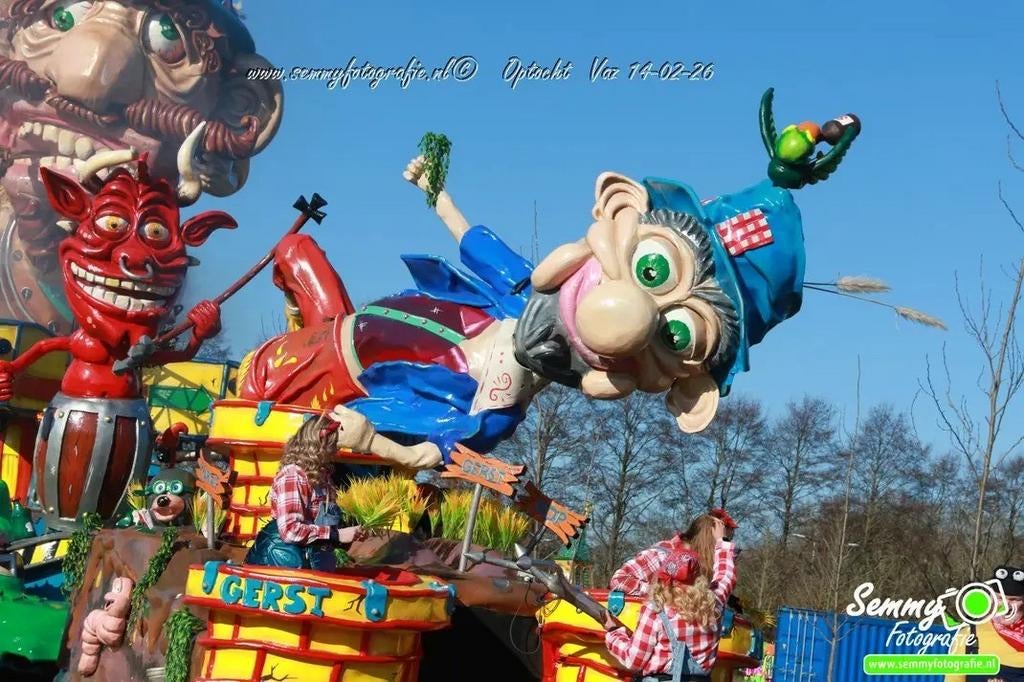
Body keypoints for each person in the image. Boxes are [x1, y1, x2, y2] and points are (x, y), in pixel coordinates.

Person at [603, 539, 738, 681]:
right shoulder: (715, 603)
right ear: (699, 578)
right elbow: (726, 576)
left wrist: (614, 633)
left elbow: (634, 661)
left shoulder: (656, 611)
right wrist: (723, 546)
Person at [246, 415, 365, 571]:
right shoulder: (293, 476)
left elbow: (322, 529)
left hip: (316, 565)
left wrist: (347, 533)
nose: (336, 449)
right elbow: (289, 530)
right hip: (288, 567)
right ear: (318, 444)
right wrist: (335, 534)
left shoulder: (324, 478)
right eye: (332, 444)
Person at [611, 509, 738, 596]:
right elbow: (619, 579)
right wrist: (664, 594)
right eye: (721, 541)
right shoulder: (663, 555)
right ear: (708, 541)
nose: (722, 547)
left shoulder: (702, 569)